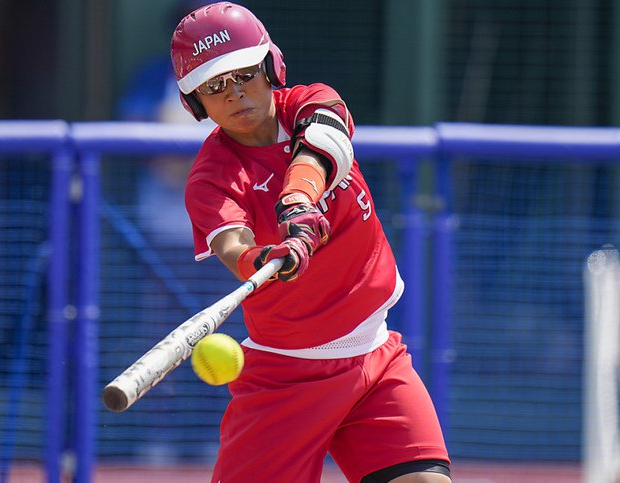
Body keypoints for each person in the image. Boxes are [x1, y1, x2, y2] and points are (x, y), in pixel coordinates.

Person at [171, 3, 451, 483]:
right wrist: (263, 257)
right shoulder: (210, 178)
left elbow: (324, 146)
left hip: (374, 358)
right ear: (196, 104)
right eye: (215, 86)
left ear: (270, 67)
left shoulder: (312, 101)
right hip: (285, 380)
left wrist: (297, 203)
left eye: (244, 75)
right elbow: (234, 245)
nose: (235, 93)